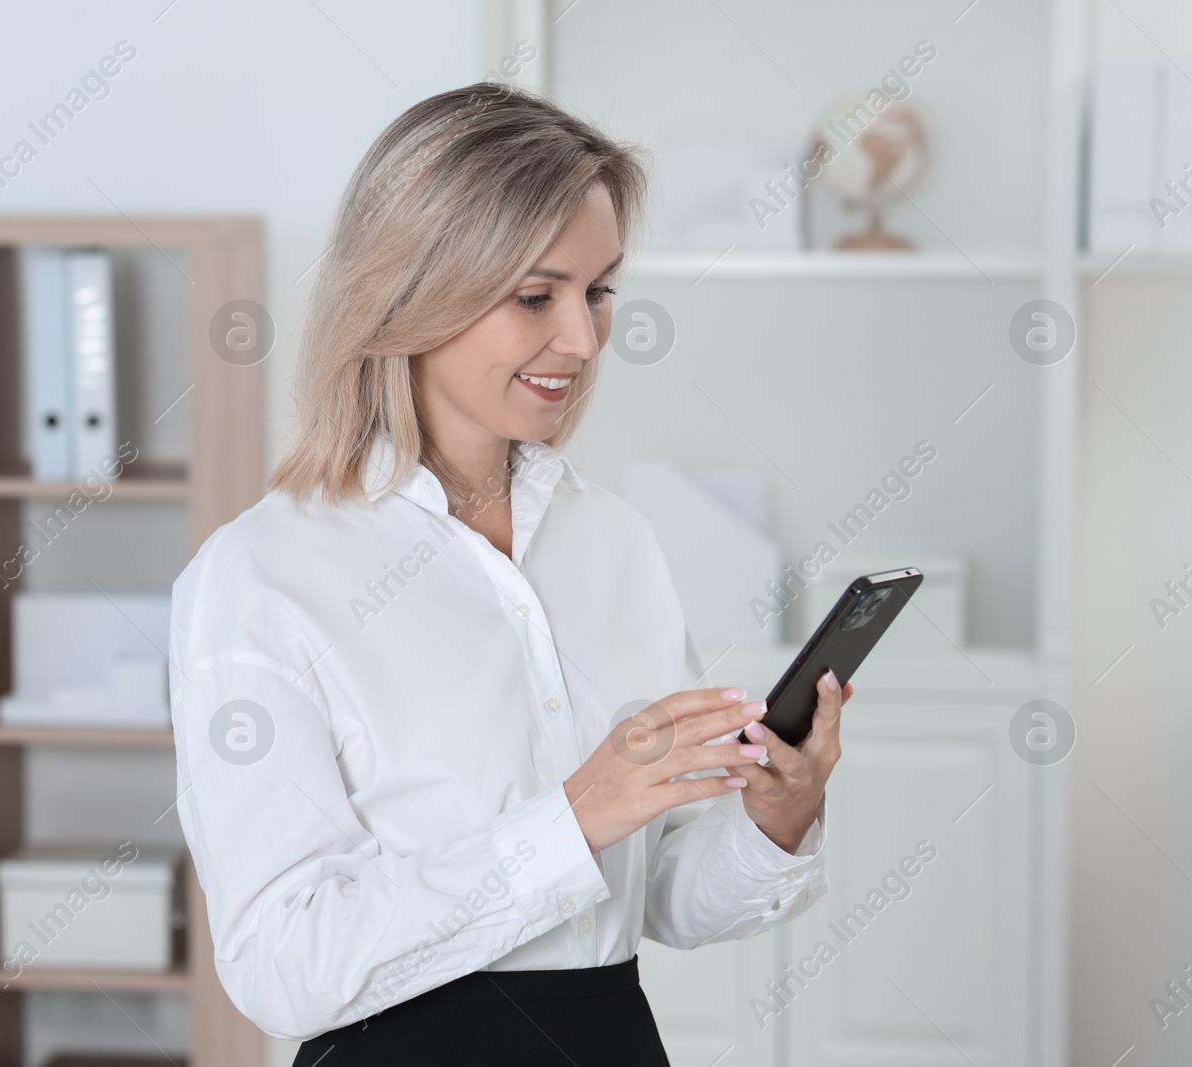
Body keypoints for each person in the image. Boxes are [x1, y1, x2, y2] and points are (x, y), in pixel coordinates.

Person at [168, 82, 851, 1066]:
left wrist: (777, 811)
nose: (581, 338)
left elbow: (663, 896)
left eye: (598, 289)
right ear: (408, 290)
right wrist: (568, 818)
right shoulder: (263, 574)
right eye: (536, 295)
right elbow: (283, 964)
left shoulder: (611, 541)